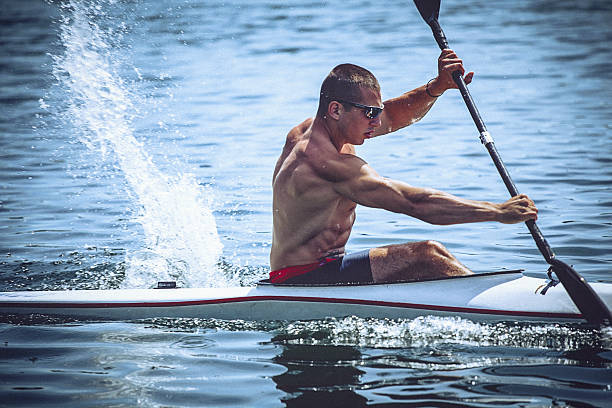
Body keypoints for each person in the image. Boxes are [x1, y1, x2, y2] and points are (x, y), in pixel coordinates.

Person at [269, 49, 538, 285]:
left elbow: (395, 115)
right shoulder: (326, 164)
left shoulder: (313, 129)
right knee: (428, 255)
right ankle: (493, 304)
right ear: (336, 110)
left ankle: (476, 292)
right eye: (369, 113)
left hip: (321, 268)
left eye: (377, 111)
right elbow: (414, 203)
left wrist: (437, 86)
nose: (377, 121)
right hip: (303, 278)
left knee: (434, 256)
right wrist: (498, 211)